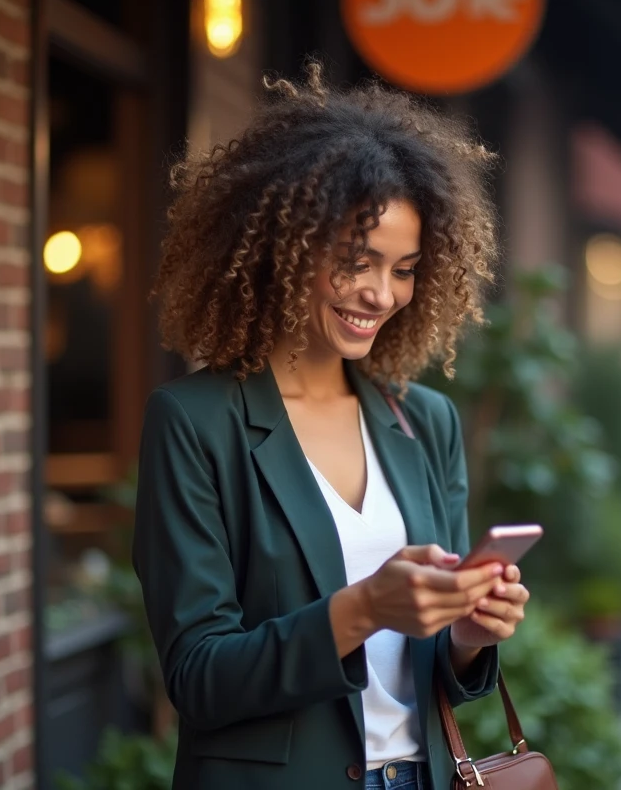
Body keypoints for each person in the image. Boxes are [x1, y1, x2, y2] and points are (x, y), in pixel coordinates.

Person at [131, 64, 531, 790]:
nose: (381, 294)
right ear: (283, 250)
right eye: (357, 262)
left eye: (405, 269)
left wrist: (471, 633)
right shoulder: (195, 423)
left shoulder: (424, 422)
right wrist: (362, 608)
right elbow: (197, 675)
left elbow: (435, 666)